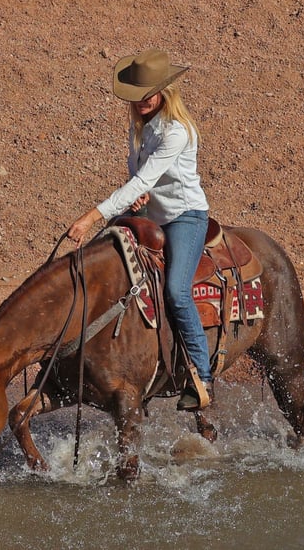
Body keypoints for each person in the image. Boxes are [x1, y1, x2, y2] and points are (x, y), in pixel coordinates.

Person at [67, 48, 212, 410]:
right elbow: (140, 184)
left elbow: (142, 179)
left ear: (165, 92)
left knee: (177, 291)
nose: (142, 101)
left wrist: (91, 217)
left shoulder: (177, 132)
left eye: (149, 93)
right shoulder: (141, 131)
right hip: (151, 217)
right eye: (137, 95)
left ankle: (201, 374)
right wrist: (139, 203)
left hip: (185, 217)